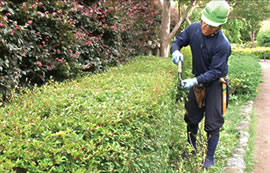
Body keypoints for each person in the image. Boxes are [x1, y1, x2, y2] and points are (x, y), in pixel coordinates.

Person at [171, 0, 231, 169]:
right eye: (204, 22)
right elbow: (178, 41)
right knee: (191, 117)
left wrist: (195, 81)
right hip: (197, 82)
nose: (205, 27)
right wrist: (175, 50)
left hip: (215, 85)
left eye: (210, 25)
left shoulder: (223, 45)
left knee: (213, 124)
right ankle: (191, 148)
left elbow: (216, 72)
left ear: (219, 26)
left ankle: (209, 158)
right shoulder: (194, 29)